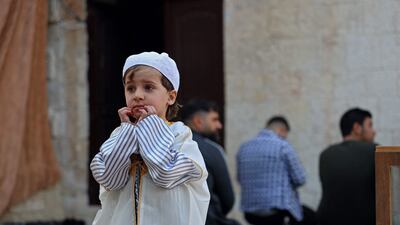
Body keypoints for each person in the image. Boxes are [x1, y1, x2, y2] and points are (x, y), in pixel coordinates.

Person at [90, 52, 210, 225]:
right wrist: (127, 134)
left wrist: (150, 129)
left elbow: (165, 174)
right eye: (130, 88)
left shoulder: (180, 135)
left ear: (171, 96)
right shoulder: (119, 135)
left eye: (148, 87)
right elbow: (110, 179)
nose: (137, 95)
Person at [236, 116, 316, 225]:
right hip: (278, 212)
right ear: (281, 130)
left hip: (250, 213)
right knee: (312, 218)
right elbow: (300, 179)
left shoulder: (244, 148)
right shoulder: (283, 146)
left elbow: (240, 179)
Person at [180, 99, 241, 225]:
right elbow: (227, 199)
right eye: (214, 119)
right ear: (198, 121)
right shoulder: (211, 149)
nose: (219, 125)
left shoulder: (166, 144)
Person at [317, 108, 376, 225]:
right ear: (357, 128)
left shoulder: (325, 154)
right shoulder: (375, 151)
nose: (374, 131)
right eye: (370, 126)